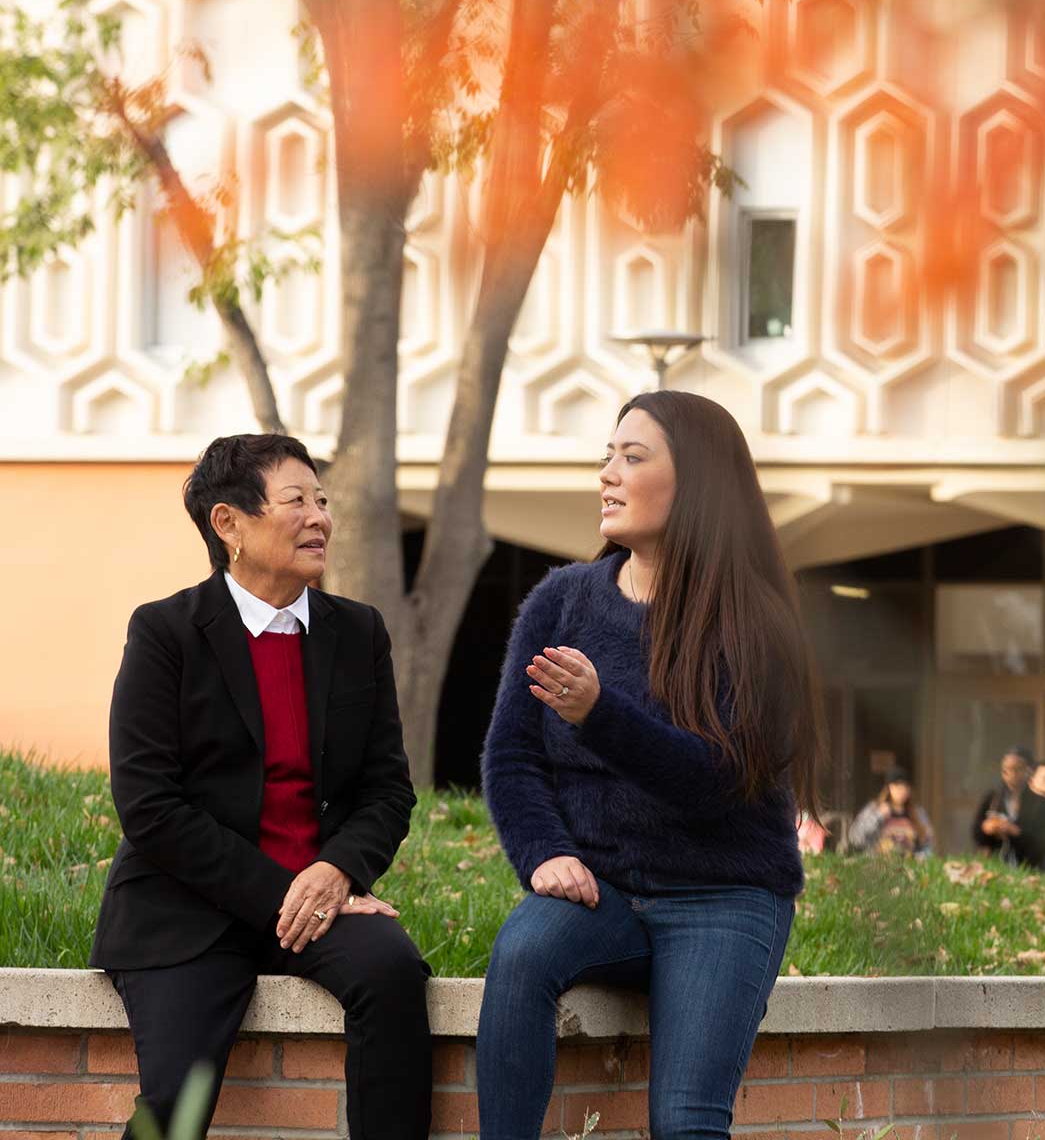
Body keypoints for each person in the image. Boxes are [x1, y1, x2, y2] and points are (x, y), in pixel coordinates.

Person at [477, 390, 823, 1139]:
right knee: (521, 954)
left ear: (697, 482)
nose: (608, 473)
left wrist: (601, 714)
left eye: (632, 458)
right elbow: (512, 756)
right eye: (607, 455)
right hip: (601, 891)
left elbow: (720, 782)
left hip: (722, 896)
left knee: (685, 1119)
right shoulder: (562, 601)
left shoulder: (755, 622)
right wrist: (545, 853)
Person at [91, 434, 428, 1139]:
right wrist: (289, 891)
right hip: (186, 911)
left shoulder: (357, 632)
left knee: (393, 971)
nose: (319, 518)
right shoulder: (165, 633)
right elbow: (149, 807)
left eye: (322, 500)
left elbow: (388, 790)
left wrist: (338, 870)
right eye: (296, 500)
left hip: (317, 907)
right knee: (175, 1105)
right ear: (229, 524)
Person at [971, 746, 1045, 869]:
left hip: (1029, 868)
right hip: (994, 867)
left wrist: (1015, 832)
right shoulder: (992, 799)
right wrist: (986, 828)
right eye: (1006, 771)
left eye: (1017, 770)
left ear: (1029, 771)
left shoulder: (1040, 803)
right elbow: (976, 834)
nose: (1011, 775)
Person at [847, 768, 934, 856]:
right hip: (879, 866)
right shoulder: (875, 809)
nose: (901, 790)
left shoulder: (918, 813)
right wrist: (878, 816)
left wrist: (921, 857)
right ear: (888, 787)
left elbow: (927, 843)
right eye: (897, 785)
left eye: (905, 786)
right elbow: (855, 837)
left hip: (910, 867)